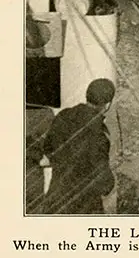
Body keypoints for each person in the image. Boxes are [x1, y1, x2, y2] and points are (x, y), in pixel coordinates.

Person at [42, 78, 115, 214]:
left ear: (87, 96)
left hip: (55, 203)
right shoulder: (99, 133)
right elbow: (104, 183)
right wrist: (110, 182)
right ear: (108, 105)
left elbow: (48, 149)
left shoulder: (63, 116)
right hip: (82, 208)